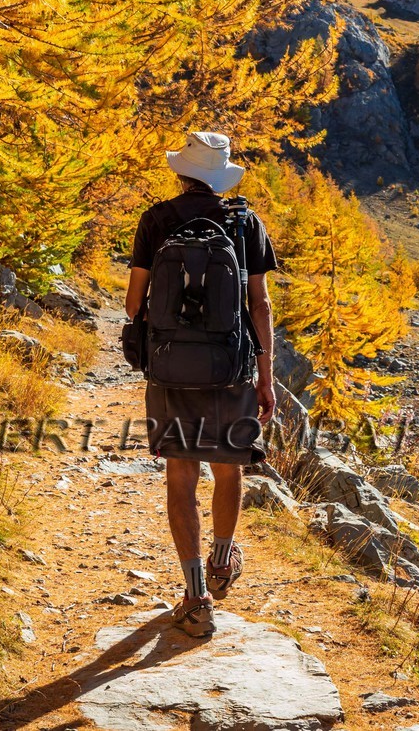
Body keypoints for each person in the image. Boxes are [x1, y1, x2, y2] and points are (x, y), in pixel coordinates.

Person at [125, 132, 277, 638]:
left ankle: (195, 597)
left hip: (171, 370)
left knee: (181, 477)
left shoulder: (156, 219)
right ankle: (221, 561)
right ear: (221, 177)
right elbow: (260, 305)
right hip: (232, 368)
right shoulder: (245, 222)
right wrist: (266, 377)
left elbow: (133, 305)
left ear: (182, 172)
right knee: (228, 469)